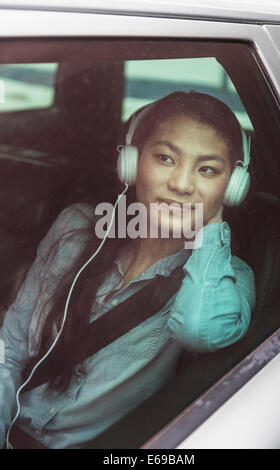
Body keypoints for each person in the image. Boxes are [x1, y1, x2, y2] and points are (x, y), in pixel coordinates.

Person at [0, 91, 256, 449]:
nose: (182, 184)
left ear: (232, 187)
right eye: (165, 158)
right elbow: (9, 349)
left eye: (208, 170)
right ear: (132, 163)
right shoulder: (75, 229)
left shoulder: (226, 278)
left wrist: (211, 223)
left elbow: (200, 330)